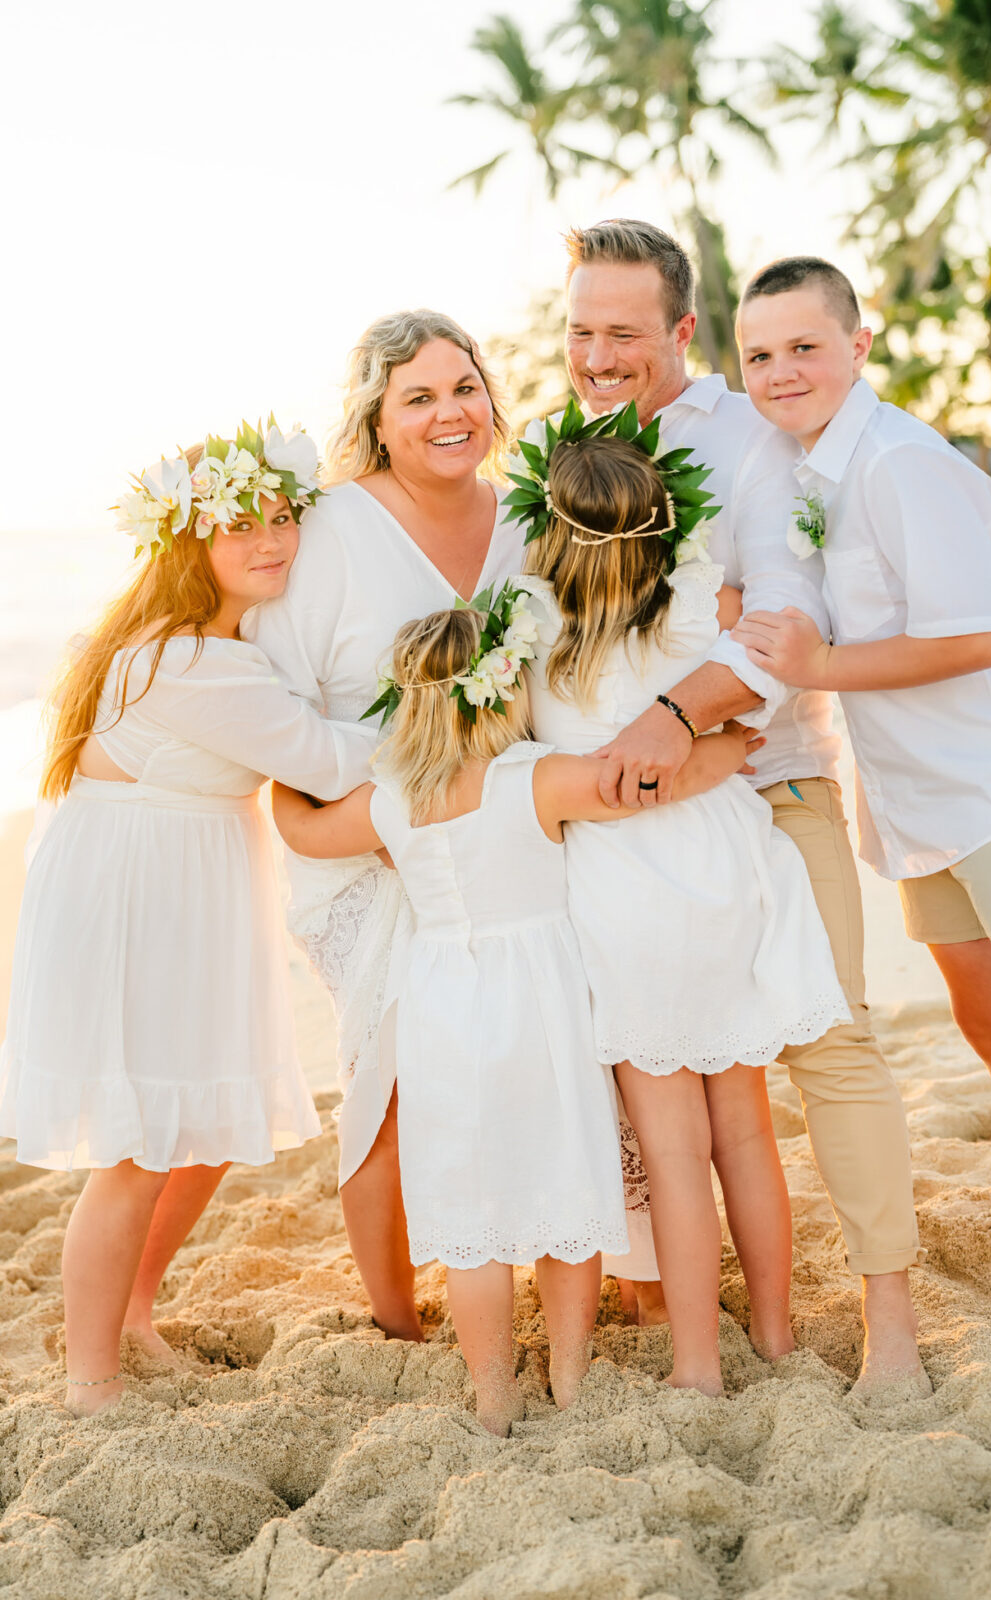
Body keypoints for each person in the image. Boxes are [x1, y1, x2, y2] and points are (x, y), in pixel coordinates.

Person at [555, 218, 925, 1393]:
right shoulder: (575, 449)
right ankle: (656, 1286)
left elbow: (780, 620)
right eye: (579, 332)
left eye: (623, 331)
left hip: (769, 785)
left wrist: (669, 716)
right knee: (668, 1070)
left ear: (678, 329)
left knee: (828, 1041)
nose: (599, 355)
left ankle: (891, 1320)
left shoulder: (746, 438)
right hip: (642, 820)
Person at [272, 594, 760, 1430]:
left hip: (443, 1009)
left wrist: (278, 779)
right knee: (561, 1188)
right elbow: (651, 781)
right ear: (503, 691)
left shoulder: (391, 799)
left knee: (471, 1201)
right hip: (539, 1001)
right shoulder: (533, 778)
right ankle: (569, 1374)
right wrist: (727, 744)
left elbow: (307, 836)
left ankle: (493, 1390)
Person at [0, 423, 374, 1414]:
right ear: (187, 545)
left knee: (202, 1124)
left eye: (284, 517)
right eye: (241, 525)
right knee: (136, 1145)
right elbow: (332, 762)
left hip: (186, 878)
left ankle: (131, 1311)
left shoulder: (219, 647)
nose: (272, 540)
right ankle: (90, 1376)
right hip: (141, 897)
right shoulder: (190, 664)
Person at [731, 255, 991, 1283]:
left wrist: (816, 665)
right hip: (916, 800)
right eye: (758, 354)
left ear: (856, 346)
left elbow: (970, 639)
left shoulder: (896, 462)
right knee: (985, 1019)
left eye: (803, 347)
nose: (781, 371)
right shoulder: (807, 470)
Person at [506, 411, 850, 1394]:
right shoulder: (699, 608)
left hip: (625, 897)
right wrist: (703, 752)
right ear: (665, 527)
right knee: (742, 1126)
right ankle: (776, 1332)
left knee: (671, 1149)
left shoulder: (540, 642)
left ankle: (697, 1362)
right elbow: (748, 703)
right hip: (726, 874)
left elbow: (561, 775)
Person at [242, 312, 526, 1342]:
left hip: (500, 850)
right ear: (377, 416)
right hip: (366, 857)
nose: (448, 412)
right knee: (393, 1080)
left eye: (463, 387)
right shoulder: (333, 528)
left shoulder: (525, 518)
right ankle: (398, 1315)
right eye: (417, 396)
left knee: (518, 1053)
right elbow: (270, 698)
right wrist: (360, 812)